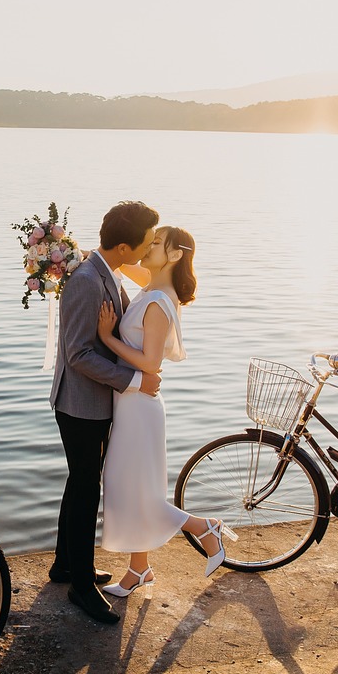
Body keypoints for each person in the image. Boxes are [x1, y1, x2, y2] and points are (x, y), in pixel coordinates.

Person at [97, 225, 235, 598]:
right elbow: (123, 264)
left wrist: (108, 338)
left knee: (138, 492)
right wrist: (80, 253)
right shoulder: (154, 285)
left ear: (174, 255)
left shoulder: (158, 302)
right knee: (130, 487)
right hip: (131, 404)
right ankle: (139, 570)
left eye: (156, 243)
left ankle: (204, 527)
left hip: (140, 407)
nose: (147, 246)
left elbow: (151, 364)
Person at [49, 200, 161, 625]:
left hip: (95, 401)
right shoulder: (86, 281)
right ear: (123, 245)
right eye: (146, 241)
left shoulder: (107, 270)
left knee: (80, 484)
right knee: (85, 489)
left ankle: (65, 564)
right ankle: (81, 585)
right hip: (80, 404)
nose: (149, 247)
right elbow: (77, 353)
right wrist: (134, 381)